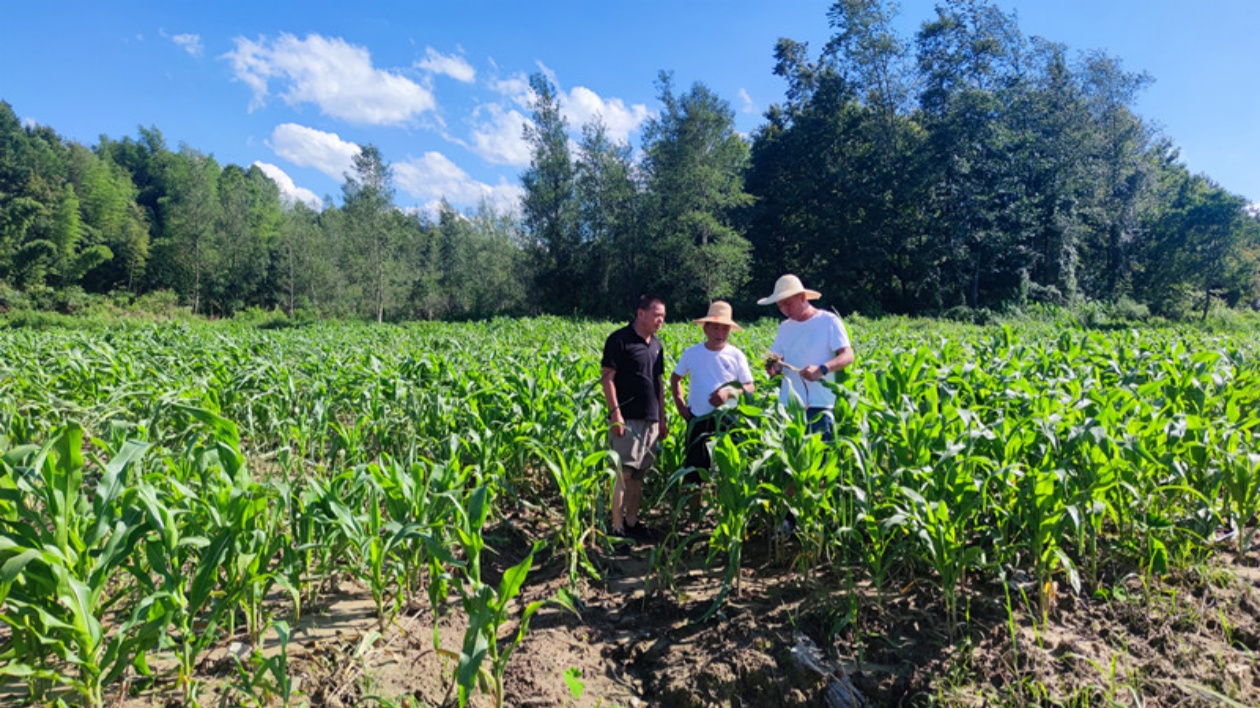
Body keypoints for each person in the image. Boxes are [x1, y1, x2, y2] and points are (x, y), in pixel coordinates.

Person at [669, 301, 755, 513]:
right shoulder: (693, 353)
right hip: (698, 419)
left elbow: (750, 387)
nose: (720, 332)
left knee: (728, 470)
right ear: (705, 328)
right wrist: (680, 405)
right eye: (715, 327)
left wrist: (729, 393)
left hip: (728, 421)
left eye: (725, 328)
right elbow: (675, 378)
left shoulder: (736, 355)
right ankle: (694, 514)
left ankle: (725, 513)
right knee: (694, 470)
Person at [600, 294, 668, 543]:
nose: (660, 320)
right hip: (627, 417)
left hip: (650, 418)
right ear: (641, 313)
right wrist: (615, 414)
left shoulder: (656, 345)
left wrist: (662, 417)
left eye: (663, 316)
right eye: (656, 315)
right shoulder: (619, 340)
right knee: (623, 473)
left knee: (639, 475)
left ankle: (631, 522)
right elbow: (607, 378)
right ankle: (616, 528)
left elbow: (658, 383)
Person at [758, 274, 855, 443]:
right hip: (789, 407)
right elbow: (777, 358)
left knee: (820, 463)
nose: (784, 310)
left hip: (819, 405)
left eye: (788, 304)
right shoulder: (785, 328)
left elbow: (847, 355)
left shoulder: (828, 321)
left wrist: (822, 369)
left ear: (802, 298)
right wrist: (774, 368)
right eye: (780, 306)